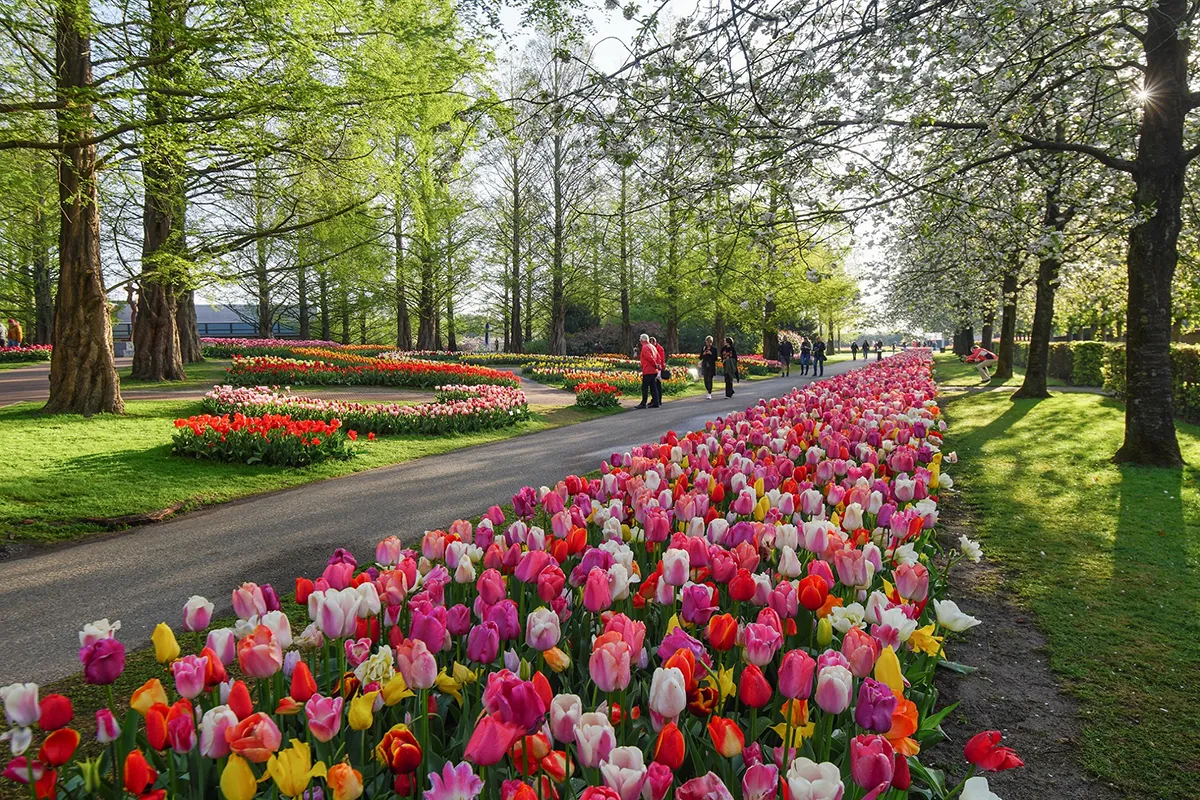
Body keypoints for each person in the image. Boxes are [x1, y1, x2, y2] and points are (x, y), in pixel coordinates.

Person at [636, 333, 658, 409]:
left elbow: (649, 357)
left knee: (645, 387)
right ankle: (656, 402)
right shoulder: (652, 346)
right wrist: (657, 365)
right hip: (654, 370)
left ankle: (643, 403)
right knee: (653, 386)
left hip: (648, 369)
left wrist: (655, 364)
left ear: (642, 340)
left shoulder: (645, 347)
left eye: (640, 340)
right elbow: (657, 356)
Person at [650, 336, 666, 407]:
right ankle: (654, 399)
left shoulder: (659, 348)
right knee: (653, 385)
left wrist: (658, 366)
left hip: (658, 368)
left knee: (657, 385)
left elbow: (661, 359)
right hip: (654, 368)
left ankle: (658, 400)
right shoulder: (652, 348)